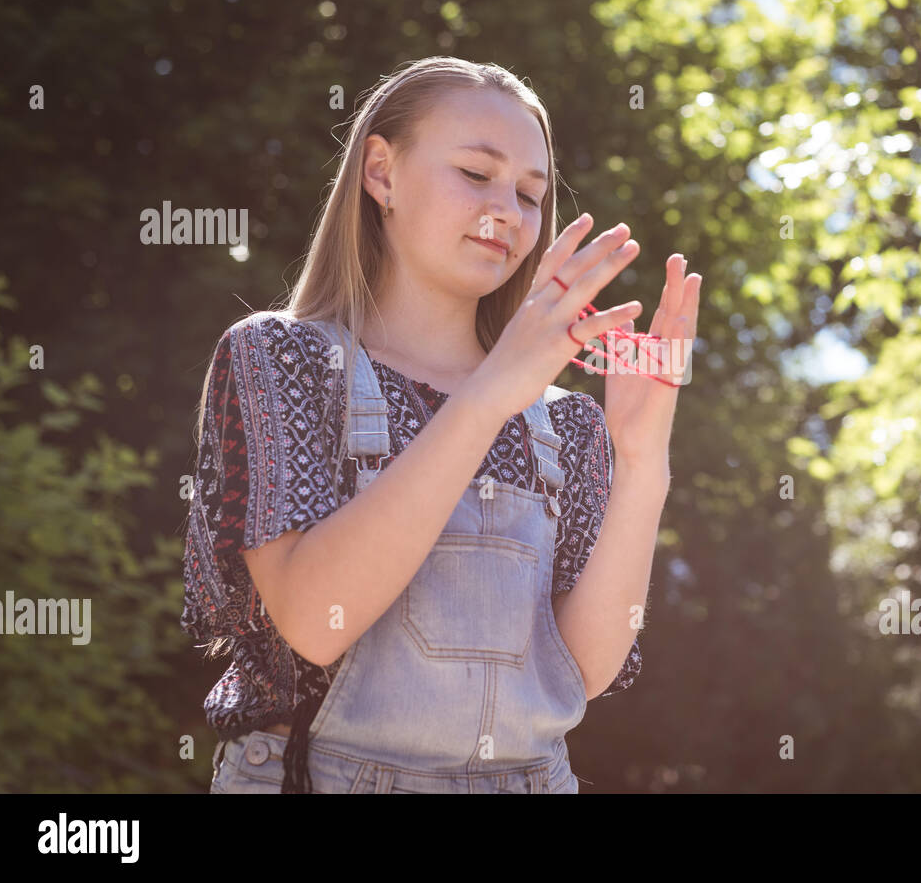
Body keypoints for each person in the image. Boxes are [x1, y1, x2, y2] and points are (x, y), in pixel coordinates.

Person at [180, 56, 701, 793]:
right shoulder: (282, 357)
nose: (509, 212)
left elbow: (579, 671)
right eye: (476, 174)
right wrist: (489, 396)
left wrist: (642, 457)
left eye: (529, 193)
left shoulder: (567, 422)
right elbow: (314, 619)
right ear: (382, 173)